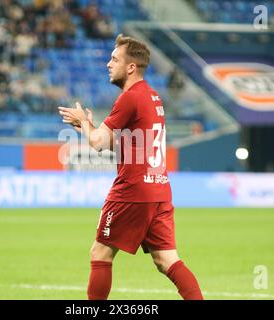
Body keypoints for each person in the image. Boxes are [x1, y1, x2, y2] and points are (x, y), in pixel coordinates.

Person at [58, 35, 203, 300]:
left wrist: (85, 124)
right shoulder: (152, 97)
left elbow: (97, 142)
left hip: (133, 191)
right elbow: (131, 145)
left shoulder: (129, 98)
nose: (108, 64)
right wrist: (88, 128)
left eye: (114, 59)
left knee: (100, 253)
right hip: (159, 190)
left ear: (131, 67)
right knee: (166, 260)